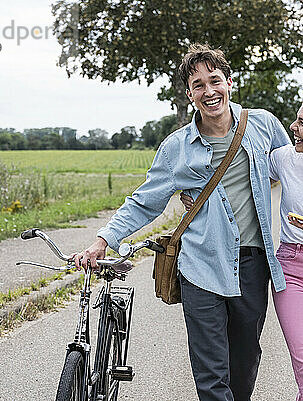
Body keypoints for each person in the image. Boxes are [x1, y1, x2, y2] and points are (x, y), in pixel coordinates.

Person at [73, 43, 291, 401]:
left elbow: (293, 169)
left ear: (229, 82)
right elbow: (145, 200)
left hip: (253, 263)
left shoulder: (263, 124)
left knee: (246, 359)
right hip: (200, 265)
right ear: (190, 95)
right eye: (199, 85)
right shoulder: (178, 146)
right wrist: (103, 239)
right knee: (210, 371)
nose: (209, 91)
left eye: (214, 80)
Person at [182, 94, 303, 400]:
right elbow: (239, 175)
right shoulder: (286, 159)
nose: (293, 127)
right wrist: (197, 195)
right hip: (293, 272)